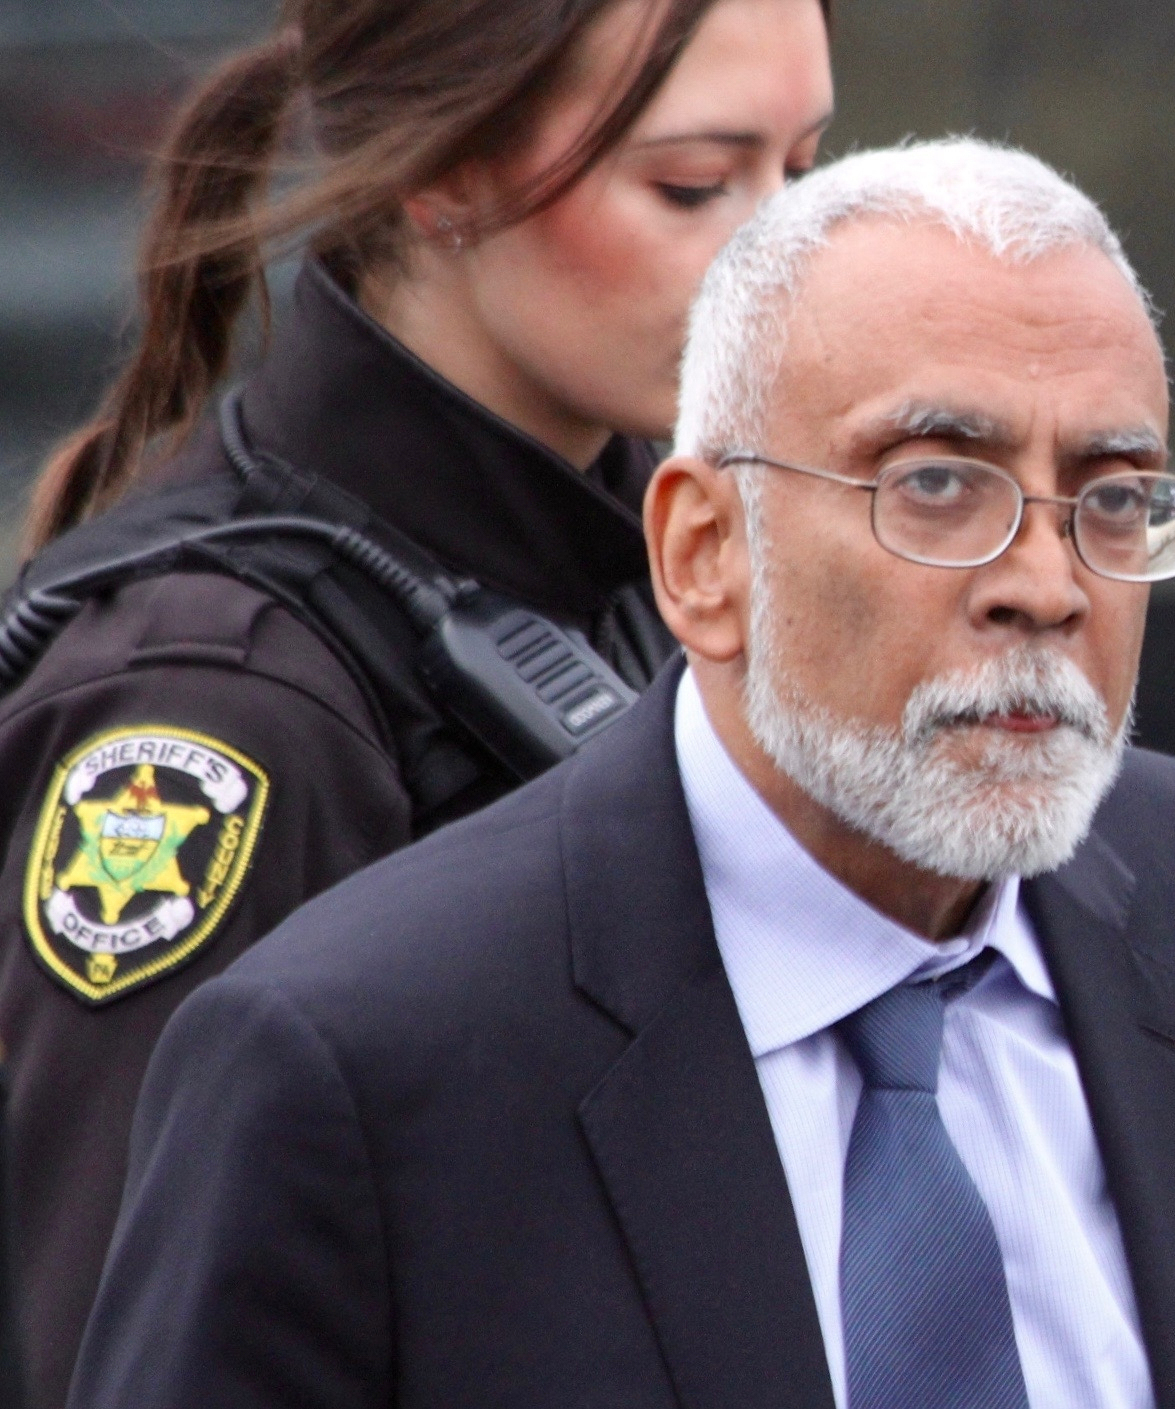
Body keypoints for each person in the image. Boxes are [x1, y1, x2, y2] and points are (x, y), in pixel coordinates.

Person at [72, 140, 1175, 1409]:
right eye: (937, 483)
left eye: (1113, 498)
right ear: (706, 551)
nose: (1047, 586)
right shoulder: (362, 1064)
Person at [0, 0, 832, 1402]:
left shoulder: (656, 561)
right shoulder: (224, 714)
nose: (782, 266)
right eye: (694, 185)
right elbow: (127, 1342)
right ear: (441, 170)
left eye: (805, 172)